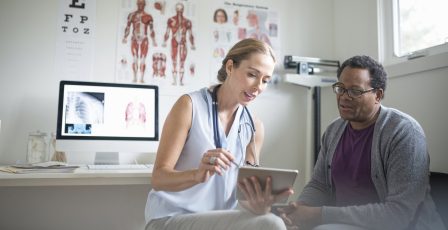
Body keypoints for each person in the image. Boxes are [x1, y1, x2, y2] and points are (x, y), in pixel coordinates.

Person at [278, 55, 445, 230]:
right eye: (340, 88)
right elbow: (319, 185)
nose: (344, 97)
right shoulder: (334, 131)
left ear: (378, 95)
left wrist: (319, 215)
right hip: (341, 222)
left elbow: (399, 214)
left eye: (355, 91)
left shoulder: (404, 132)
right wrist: (300, 210)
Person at [144, 38, 292, 230]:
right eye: (252, 75)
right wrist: (196, 175)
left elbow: (243, 196)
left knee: (270, 221)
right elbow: (158, 179)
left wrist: (260, 205)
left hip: (218, 220)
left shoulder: (253, 127)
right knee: (271, 225)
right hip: (169, 217)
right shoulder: (189, 106)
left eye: (265, 80)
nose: (258, 87)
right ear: (230, 67)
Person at [122, 0, 158, 83]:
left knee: (142, 60)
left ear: (145, 5)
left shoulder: (148, 16)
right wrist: (125, 37)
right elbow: (128, 27)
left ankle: (141, 78)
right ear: (137, 4)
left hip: (144, 39)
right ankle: (134, 78)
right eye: (139, 4)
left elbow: (151, 29)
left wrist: (154, 40)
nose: (140, 5)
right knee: (135, 59)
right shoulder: (132, 15)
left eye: (142, 4)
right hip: (134, 38)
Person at [162, 2, 195, 86]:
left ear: (183, 10)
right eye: (178, 9)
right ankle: (174, 81)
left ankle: (180, 81)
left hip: (183, 43)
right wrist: (164, 42)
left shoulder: (187, 22)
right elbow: (167, 32)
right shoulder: (171, 20)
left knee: (182, 62)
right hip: (174, 42)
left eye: (181, 9)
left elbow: (190, 34)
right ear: (176, 10)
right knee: (174, 61)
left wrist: (192, 44)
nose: (179, 11)